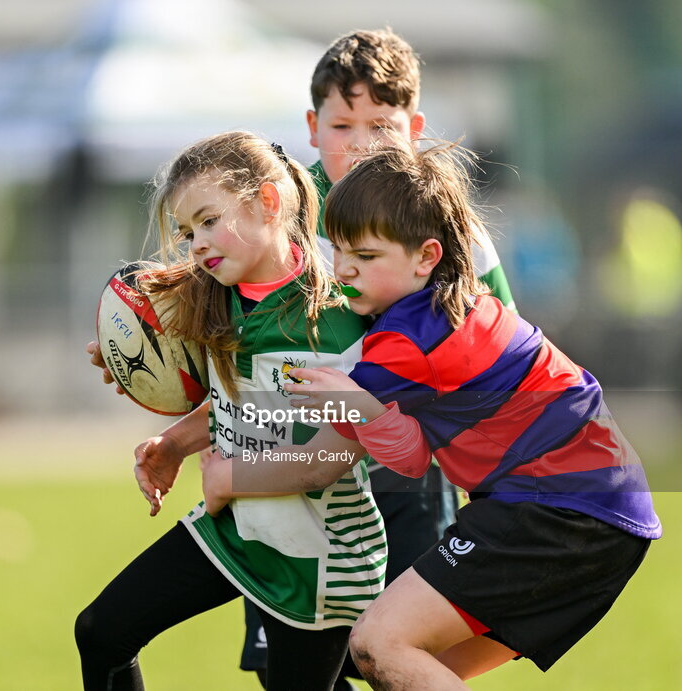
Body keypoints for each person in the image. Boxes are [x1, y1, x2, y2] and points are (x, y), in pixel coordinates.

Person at [83, 28, 520, 688]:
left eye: (383, 124)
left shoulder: (445, 234)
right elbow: (253, 366)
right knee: (279, 671)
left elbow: (492, 363)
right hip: (277, 484)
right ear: (313, 128)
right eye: (345, 125)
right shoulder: (280, 212)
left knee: (386, 661)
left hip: (394, 479)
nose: (364, 142)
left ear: (415, 128)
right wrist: (145, 357)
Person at [201, 141, 662, 687]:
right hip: (602, 509)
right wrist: (370, 412)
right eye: (340, 251)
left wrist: (228, 474)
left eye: (366, 258)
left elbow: (319, 462)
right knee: (419, 670)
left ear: (426, 256)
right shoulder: (455, 303)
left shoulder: (407, 343)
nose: (345, 270)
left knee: (380, 644)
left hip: (556, 507)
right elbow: (415, 454)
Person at [74, 131, 386, 691]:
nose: (196, 243)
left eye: (209, 220)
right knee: (101, 631)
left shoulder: (337, 319)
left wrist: (228, 478)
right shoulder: (217, 293)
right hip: (237, 531)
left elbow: (333, 456)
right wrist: (170, 439)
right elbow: (242, 404)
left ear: (268, 202)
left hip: (315, 557)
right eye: (187, 231)